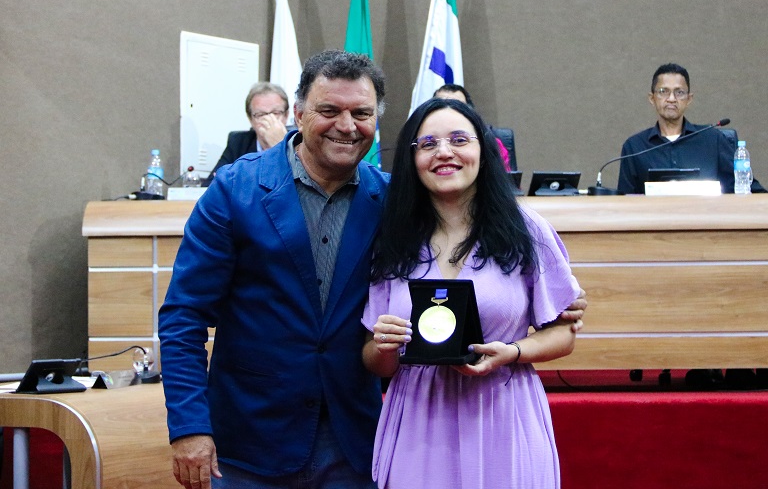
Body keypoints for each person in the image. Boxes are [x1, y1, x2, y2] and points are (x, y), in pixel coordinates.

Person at [159, 50, 587, 489]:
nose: (346, 125)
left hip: (353, 442)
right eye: (329, 110)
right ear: (299, 114)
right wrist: (190, 426)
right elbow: (183, 316)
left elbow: (474, 247)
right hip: (251, 439)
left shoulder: (394, 204)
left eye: (361, 113)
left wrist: (558, 299)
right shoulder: (235, 190)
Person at [361, 97, 582, 488]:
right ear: (413, 159)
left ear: (483, 149)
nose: (444, 152)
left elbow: (564, 333)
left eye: (459, 140)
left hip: (502, 411)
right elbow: (376, 361)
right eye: (428, 144)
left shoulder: (526, 229)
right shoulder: (392, 238)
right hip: (418, 420)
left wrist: (512, 352)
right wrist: (383, 347)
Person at [618, 63, 765, 194]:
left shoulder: (713, 140)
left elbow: (749, 189)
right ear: (652, 98)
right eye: (663, 91)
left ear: (689, 99)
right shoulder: (634, 147)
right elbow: (623, 203)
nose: (671, 99)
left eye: (679, 92)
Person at [203, 82, 291, 185]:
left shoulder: (299, 143)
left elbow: (300, 188)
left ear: (286, 116)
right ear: (250, 119)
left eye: (276, 113)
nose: (268, 120)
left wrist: (281, 147)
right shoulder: (238, 142)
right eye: (260, 114)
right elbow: (211, 184)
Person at [433, 84, 516, 172]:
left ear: (470, 111)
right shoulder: (425, 141)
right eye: (441, 107)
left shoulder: (492, 144)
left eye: (457, 107)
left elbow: (504, 178)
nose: (449, 111)